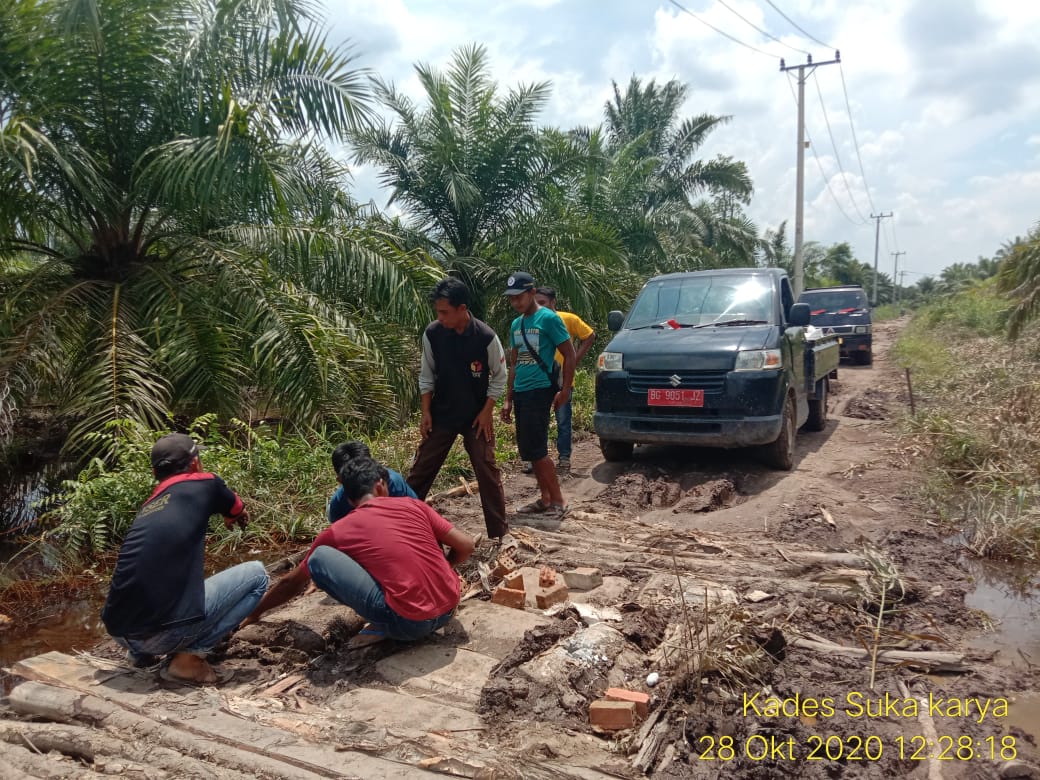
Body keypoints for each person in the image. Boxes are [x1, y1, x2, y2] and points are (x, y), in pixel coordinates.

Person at [242, 457, 475, 646]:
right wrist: (446, 568)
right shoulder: (414, 505)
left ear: (350, 499)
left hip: (409, 625)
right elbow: (466, 546)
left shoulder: (339, 530)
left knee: (319, 558)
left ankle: (384, 624)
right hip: (449, 607)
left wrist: (254, 613)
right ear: (380, 484)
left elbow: (290, 584)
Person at [101, 433, 268, 684]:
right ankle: (189, 660)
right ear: (195, 463)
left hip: (119, 631)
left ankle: (140, 655)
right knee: (258, 575)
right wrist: (233, 515)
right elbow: (237, 509)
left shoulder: (150, 505)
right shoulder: (208, 483)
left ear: (155, 472)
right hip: (164, 635)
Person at [405, 277, 509, 540]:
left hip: (476, 416)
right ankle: (402, 524)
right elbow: (426, 375)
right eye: (437, 312)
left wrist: (487, 411)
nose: (440, 318)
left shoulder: (486, 337)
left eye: (445, 312)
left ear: (462, 308)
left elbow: (500, 376)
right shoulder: (433, 334)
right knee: (421, 470)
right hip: (442, 413)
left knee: (487, 470)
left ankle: (498, 535)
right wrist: (426, 412)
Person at [500, 272, 576, 517]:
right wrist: (508, 398)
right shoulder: (516, 324)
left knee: (539, 450)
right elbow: (514, 363)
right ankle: (545, 498)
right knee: (530, 450)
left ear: (532, 292)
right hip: (521, 391)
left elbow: (569, 354)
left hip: (540, 389)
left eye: (519, 297)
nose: (515, 303)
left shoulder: (548, 319)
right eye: (511, 299)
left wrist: (565, 390)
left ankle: (559, 501)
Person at [528, 286, 596, 475]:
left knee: (563, 421)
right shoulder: (532, 321)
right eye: (536, 303)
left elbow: (590, 335)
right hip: (539, 378)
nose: (539, 307)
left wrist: (575, 358)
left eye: (542, 303)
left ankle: (564, 458)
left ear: (553, 302)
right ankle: (537, 459)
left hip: (562, 379)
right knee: (537, 421)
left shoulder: (567, 319)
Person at [327, 440, 416, 523]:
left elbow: (415, 517)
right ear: (340, 480)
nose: (359, 479)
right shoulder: (338, 506)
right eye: (351, 476)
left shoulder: (393, 484)